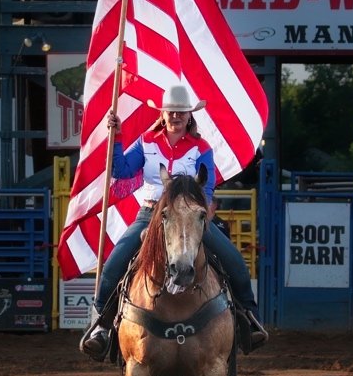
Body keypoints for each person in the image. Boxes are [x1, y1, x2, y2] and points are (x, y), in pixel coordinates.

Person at [81, 85, 267, 359]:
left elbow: (207, 188)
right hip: (151, 214)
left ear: (190, 116)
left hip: (189, 217)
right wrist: (116, 135)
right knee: (114, 263)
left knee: (233, 260)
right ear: (163, 113)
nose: (176, 116)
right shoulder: (146, 142)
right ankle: (100, 327)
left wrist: (196, 213)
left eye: (181, 112)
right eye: (171, 111)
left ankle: (248, 320)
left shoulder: (201, 148)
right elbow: (121, 169)